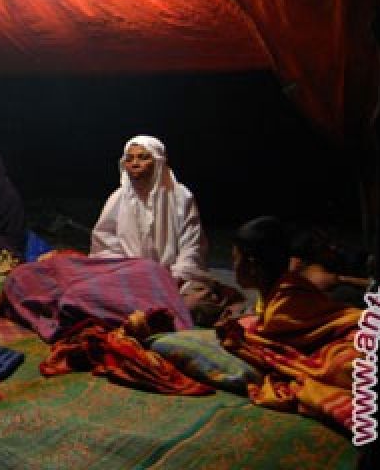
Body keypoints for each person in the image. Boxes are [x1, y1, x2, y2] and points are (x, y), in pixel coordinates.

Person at [218, 216, 362, 430]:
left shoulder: (285, 301)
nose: (233, 266)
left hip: (355, 334)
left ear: (251, 264)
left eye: (235, 259)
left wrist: (238, 332)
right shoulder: (278, 292)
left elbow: (267, 337)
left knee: (348, 369)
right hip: (346, 333)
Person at [89, 136, 207, 284]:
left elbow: (191, 246)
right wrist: (130, 272)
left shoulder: (180, 196)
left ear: (158, 162)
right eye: (130, 158)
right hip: (128, 275)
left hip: (172, 277)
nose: (135, 163)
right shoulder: (118, 198)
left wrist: (173, 278)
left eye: (143, 157)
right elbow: (104, 243)